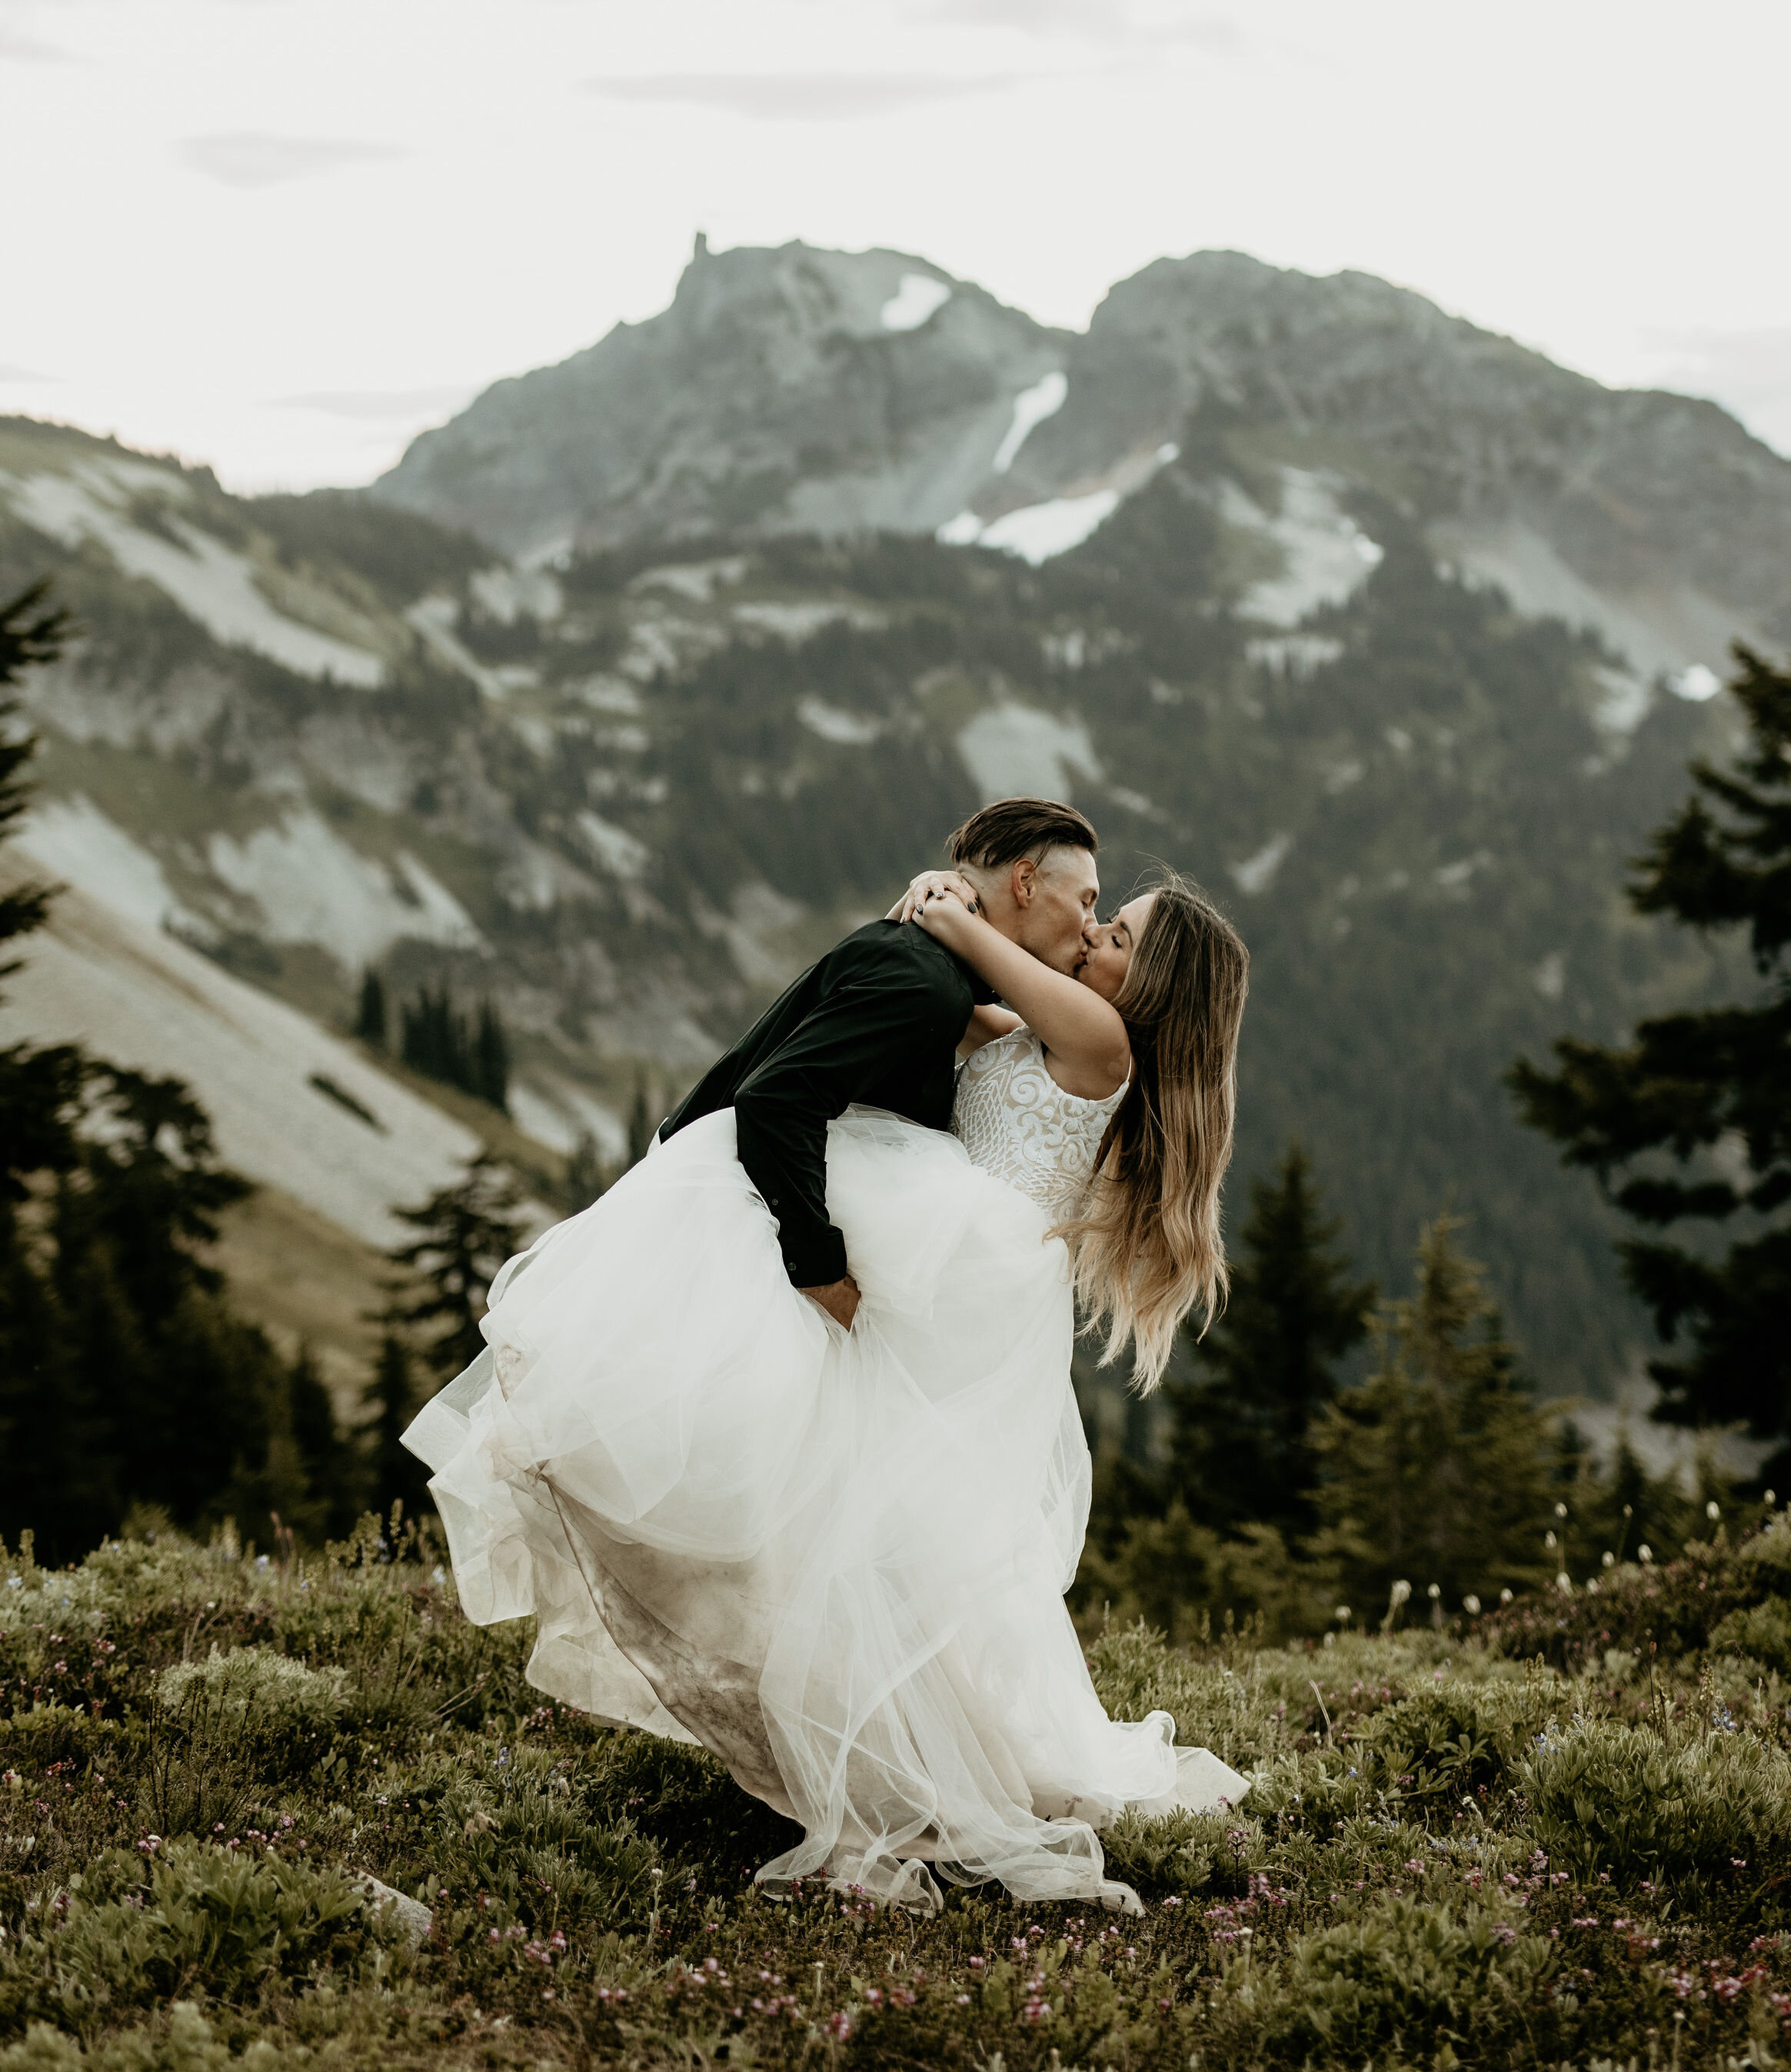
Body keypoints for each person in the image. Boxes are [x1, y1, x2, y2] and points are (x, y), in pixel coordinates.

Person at [404, 798, 1253, 1909]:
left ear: (1156, 985)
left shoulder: (1102, 1039)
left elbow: (974, 956)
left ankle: (889, 1756)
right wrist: (951, 914)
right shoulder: (1056, 1025)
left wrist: (948, 906)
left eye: (1120, 934)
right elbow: (976, 1010)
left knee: (876, 1504)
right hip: (942, 1253)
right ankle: (883, 1734)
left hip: (962, 1265)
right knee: (879, 1515)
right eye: (1098, 914)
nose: (1096, 935)